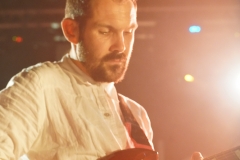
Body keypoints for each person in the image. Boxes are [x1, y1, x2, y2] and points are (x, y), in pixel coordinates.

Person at [0, 0, 203, 159]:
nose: (121, 46)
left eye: (128, 32)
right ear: (72, 30)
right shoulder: (41, 85)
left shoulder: (137, 114)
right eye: (106, 31)